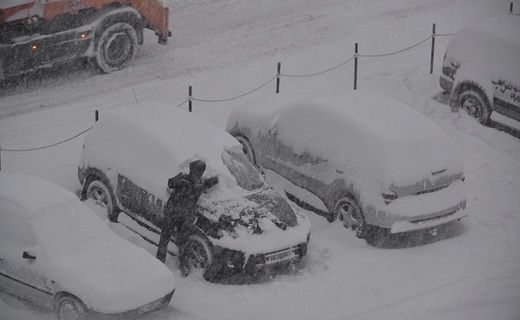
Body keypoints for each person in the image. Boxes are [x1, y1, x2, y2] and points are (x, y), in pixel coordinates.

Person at [156, 160, 218, 264]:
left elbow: (170, 183)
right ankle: (183, 264)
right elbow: (207, 184)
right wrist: (216, 179)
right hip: (184, 216)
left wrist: (179, 180)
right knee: (182, 242)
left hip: (172, 213)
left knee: (164, 239)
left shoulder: (184, 179)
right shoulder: (200, 184)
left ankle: (160, 262)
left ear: (191, 169)